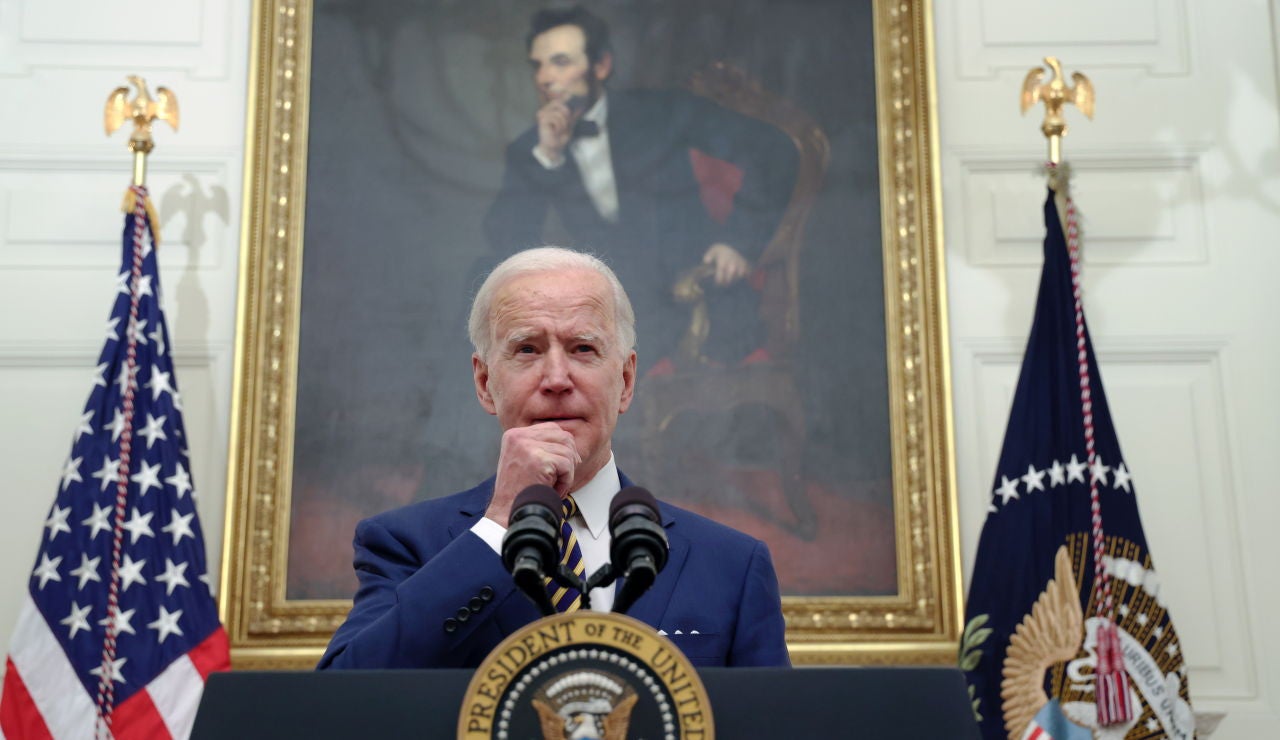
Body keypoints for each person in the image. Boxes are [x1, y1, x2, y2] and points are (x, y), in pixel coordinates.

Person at [317, 247, 790, 669]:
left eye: (583, 349)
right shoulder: (407, 545)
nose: (557, 378)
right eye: (527, 349)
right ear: (485, 384)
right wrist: (501, 523)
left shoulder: (732, 564)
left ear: (625, 381)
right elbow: (343, 702)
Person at [483, 6, 797, 370]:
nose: (545, 77)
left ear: (601, 65)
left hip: (694, 301)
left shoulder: (662, 113)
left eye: (560, 62)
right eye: (538, 65)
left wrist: (738, 241)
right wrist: (548, 157)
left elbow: (774, 150)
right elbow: (506, 243)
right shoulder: (533, 150)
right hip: (601, 314)